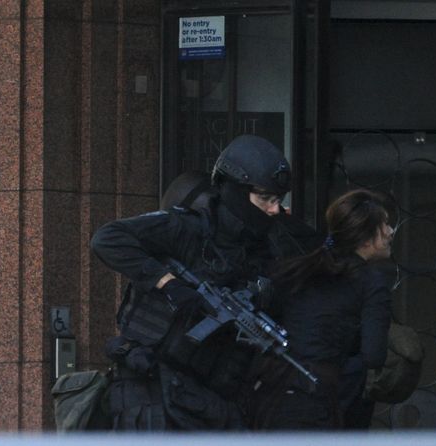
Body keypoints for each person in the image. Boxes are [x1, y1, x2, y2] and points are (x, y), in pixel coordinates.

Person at [91, 135, 308, 431]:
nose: (273, 209)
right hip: (152, 388)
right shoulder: (186, 229)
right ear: (234, 191)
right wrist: (168, 284)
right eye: (265, 198)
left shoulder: (267, 252)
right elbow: (108, 239)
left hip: (210, 403)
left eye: (277, 200)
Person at [246, 188, 394, 430]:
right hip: (317, 402)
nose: (390, 232)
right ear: (366, 238)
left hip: (269, 394)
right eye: (385, 225)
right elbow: (374, 355)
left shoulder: (302, 267)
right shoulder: (371, 282)